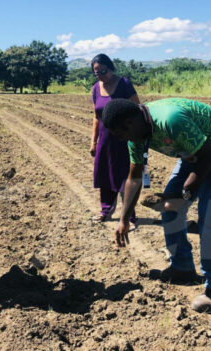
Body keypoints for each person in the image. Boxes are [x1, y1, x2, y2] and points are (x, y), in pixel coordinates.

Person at [101, 98, 211, 313]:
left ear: (130, 124)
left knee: (210, 216)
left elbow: (208, 158)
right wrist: (124, 219)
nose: (120, 139)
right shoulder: (136, 137)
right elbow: (134, 177)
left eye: (119, 134)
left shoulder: (170, 120)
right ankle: (182, 267)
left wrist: (184, 193)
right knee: (168, 208)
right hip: (194, 151)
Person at [89, 54, 139, 228]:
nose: (101, 75)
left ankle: (130, 216)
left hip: (124, 139)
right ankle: (105, 210)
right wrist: (93, 142)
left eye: (103, 71)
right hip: (105, 139)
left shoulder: (124, 84)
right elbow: (96, 117)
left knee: (126, 176)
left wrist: (134, 135)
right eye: (97, 73)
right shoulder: (96, 88)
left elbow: (137, 109)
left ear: (111, 68)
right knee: (104, 174)